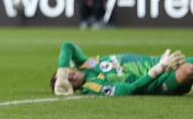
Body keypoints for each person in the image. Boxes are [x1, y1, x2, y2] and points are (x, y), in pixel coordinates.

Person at [52, 41, 192, 96]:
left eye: (66, 75)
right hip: (159, 80)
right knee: (188, 70)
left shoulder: (86, 63)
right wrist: (158, 69)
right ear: (70, 88)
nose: (69, 77)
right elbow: (128, 90)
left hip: (162, 60)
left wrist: (61, 72)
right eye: (67, 82)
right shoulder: (92, 86)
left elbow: (67, 46)